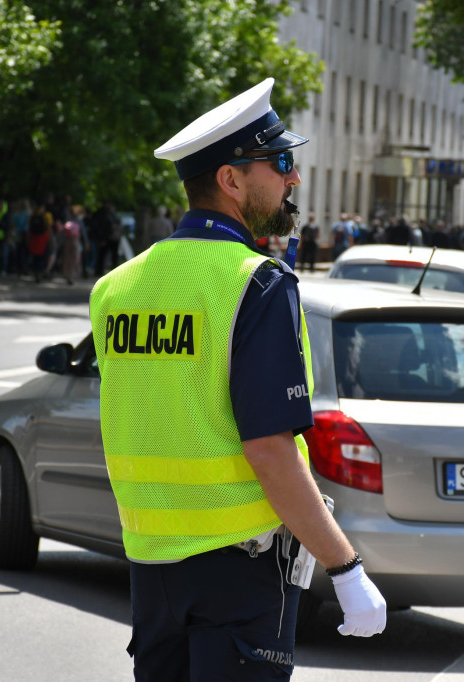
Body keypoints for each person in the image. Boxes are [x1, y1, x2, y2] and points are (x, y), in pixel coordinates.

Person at [89, 77, 386, 682]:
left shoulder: (114, 288)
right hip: (239, 570)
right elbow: (271, 451)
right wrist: (346, 567)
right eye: (280, 162)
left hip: (152, 566)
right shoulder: (258, 284)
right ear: (230, 179)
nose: (292, 178)